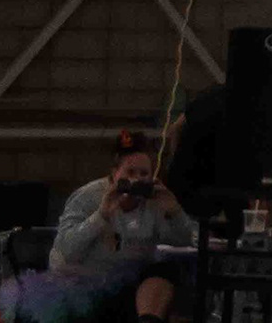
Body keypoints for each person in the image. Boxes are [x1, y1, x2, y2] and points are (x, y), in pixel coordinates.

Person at [38, 132, 198, 323]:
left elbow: (187, 240)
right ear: (114, 174)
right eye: (130, 173)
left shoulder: (154, 201)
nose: (136, 180)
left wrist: (175, 213)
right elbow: (67, 250)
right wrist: (101, 216)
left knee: (166, 271)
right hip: (81, 283)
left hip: (131, 283)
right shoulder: (87, 197)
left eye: (143, 174)